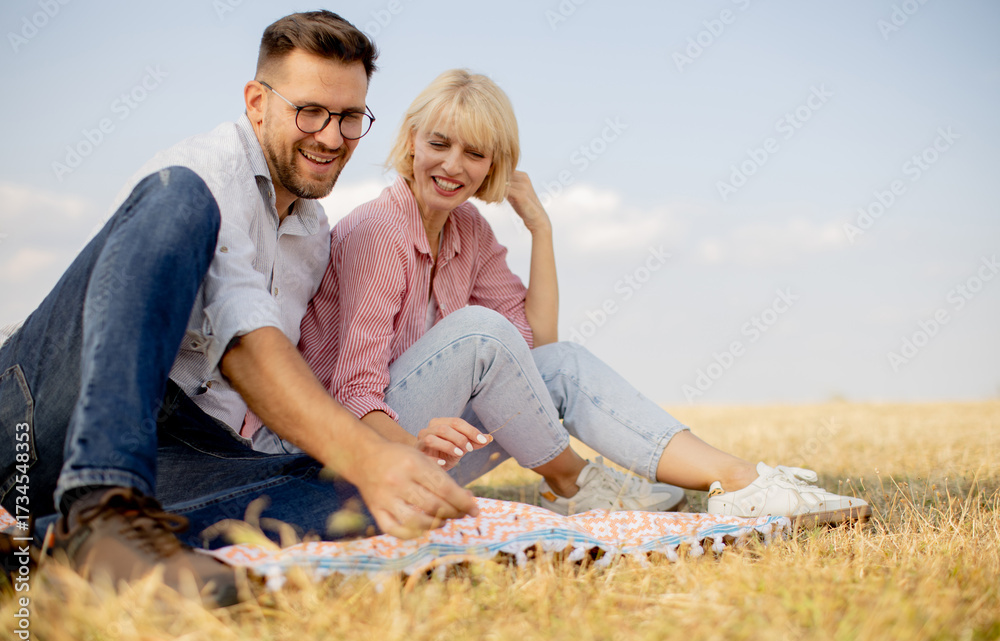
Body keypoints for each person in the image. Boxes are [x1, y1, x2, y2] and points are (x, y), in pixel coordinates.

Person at [246, 69, 870, 526]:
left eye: (474, 153)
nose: (453, 165)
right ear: (411, 141)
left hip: (419, 443)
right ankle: (574, 482)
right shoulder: (381, 229)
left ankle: (739, 481)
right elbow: (355, 392)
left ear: (493, 165)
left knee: (558, 361)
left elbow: (535, 353)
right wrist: (408, 451)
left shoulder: (469, 231)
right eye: (439, 143)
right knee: (481, 330)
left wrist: (540, 229)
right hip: (336, 460)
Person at [0, 12, 478, 607]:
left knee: (353, 496)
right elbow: (244, 342)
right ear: (257, 103)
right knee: (178, 197)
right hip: (47, 417)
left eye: (349, 117)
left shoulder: (314, 234)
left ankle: (46, 549)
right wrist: (365, 453)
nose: (332, 138)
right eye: (310, 111)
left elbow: (284, 384)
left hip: (182, 444)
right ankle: (104, 505)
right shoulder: (203, 172)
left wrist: (384, 457)